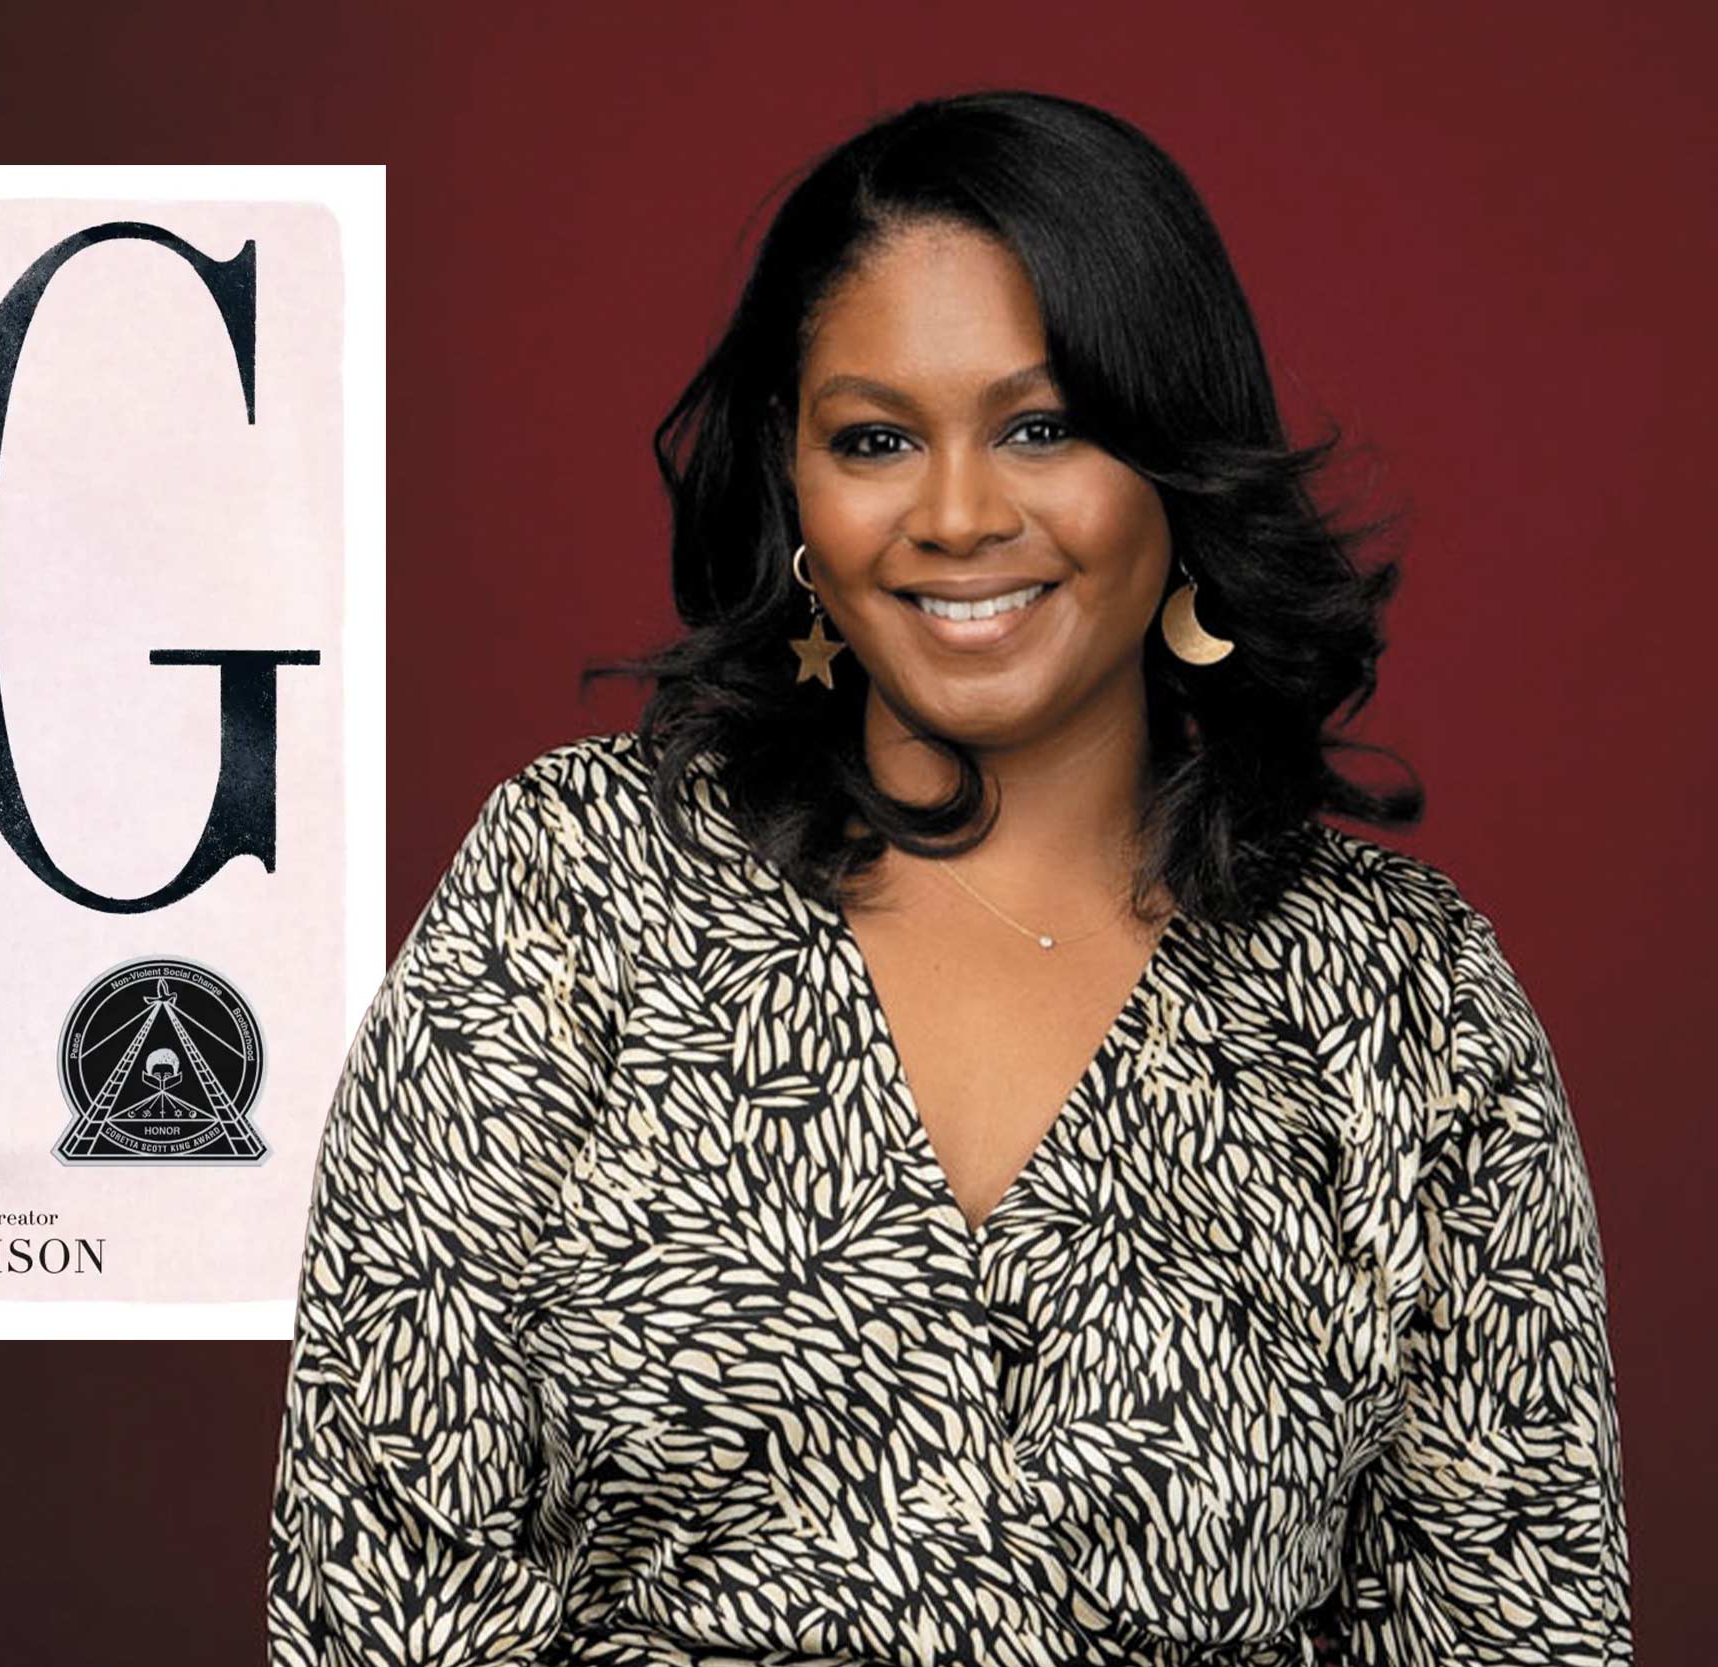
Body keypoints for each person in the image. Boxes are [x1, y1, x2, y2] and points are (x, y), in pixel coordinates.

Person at [268, 89, 1629, 1666]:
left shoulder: (1406, 1007)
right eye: (876, 438)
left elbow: (1517, 1624)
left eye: (1042, 427)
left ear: (1174, 466)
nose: (961, 514)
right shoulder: (571, 889)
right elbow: (380, 1588)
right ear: (797, 494)